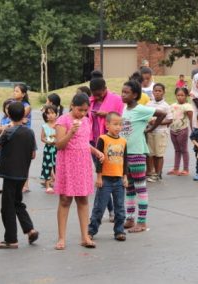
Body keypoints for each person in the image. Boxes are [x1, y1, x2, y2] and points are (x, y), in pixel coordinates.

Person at [54, 93, 104, 250]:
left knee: (83, 200)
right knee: (65, 200)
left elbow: (84, 143)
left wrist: (96, 151)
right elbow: (59, 145)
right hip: (67, 163)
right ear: (71, 105)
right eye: (79, 110)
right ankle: (62, 238)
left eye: (85, 110)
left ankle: (85, 236)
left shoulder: (87, 120)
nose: (82, 113)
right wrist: (71, 132)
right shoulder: (63, 120)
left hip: (82, 163)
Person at [0, 102, 39, 249]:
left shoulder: (9, 132)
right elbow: (33, 154)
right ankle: (29, 229)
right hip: (23, 173)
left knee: (7, 207)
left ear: (9, 115)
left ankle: (11, 239)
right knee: (17, 202)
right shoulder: (30, 132)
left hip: (10, 173)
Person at [121, 80, 165, 233]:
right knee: (130, 188)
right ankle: (130, 218)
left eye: (126, 93)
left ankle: (142, 222)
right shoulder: (124, 109)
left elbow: (162, 113)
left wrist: (151, 128)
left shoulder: (141, 109)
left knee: (140, 188)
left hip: (137, 154)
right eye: (122, 92)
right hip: (125, 155)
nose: (123, 95)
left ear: (134, 95)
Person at [88, 112, 128, 241]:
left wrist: (125, 176)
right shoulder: (103, 139)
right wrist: (99, 177)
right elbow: (99, 159)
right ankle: (91, 230)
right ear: (107, 125)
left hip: (119, 180)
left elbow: (125, 160)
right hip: (105, 179)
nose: (118, 127)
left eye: (120, 124)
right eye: (115, 124)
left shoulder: (123, 141)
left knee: (120, 208)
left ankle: (119, 231)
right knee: (99, 207)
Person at [89, 77, 124, 221]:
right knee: (101, 178)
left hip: (111, 143)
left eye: (99, 94)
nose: (96, 97)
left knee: (109, 178)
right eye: (94, 94)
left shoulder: (116, 99)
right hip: (95, 141)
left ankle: (114, 210)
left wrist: (106, 114)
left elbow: (122, 118)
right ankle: (110, 210)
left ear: (105, 89)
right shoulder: (91, 101)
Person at [146, 83, 173, 182]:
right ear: (152, 92)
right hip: (150, 131)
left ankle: (158, 173)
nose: (157, 93)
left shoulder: (166, 106)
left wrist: (158, 122)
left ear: (163, 92)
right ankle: (151, 172)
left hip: (160, 132)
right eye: (155, 91)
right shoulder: (149, 104)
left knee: (159, 154)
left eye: (159, 91)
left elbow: (170, 120)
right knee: (150, 154)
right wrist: (149, 121)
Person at [168, 88, 193, 176]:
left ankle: (186, 169)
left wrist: (193, 131)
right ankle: (176, 169)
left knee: (184, 150)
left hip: (182, 130)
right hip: (172, 131)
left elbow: (191, 119)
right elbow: (169, 117)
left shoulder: (188, 106)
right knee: (177, 150)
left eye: (182, 95)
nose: (180, 97)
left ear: (186, 96)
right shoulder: (172, 105)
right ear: (175, 96)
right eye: (178, 95)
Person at [40, 105, 58, 194]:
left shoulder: (58, 125)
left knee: (58, 166)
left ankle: (58, 185)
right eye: (48, 113)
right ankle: (48, 186)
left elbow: (61, 135)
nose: (50, 115)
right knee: (47, 166)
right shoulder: (44, 126)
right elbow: (42, 138)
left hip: (57, 148)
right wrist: (47, 141)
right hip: (48, 148)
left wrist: (56, 139)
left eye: (52, 113)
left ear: (56, 114)